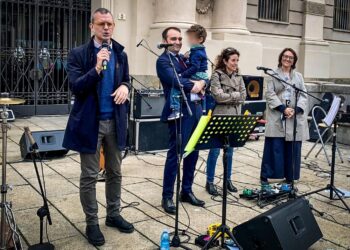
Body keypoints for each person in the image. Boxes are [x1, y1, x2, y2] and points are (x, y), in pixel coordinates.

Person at [62, 8, 134, 246]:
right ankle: (91, 222)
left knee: (115, 172)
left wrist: (125, 86)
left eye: (110, 24)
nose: (106, 28)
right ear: (91, 26)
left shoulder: (121, 54)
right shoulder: (78, 54)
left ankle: (113, 215)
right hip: (89, 123)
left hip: (115, 121)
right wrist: (96, 68)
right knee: (90, 176)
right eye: (101, 23)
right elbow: (76, 87)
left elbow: (126, 79)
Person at [156, 26, 207, 214]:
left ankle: (186, 191)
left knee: (193, 152)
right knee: (175, 154)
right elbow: (175, 80)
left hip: (196, 110)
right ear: (165, 40)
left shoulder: (186, 57)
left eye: (179, 38)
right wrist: (196, 85)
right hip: (178, 112)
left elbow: (203, 72)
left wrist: (203, 82)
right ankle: (167, 196)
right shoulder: (163, 61)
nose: (177, 42)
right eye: (173, 39)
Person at [260, 48, 309, 184]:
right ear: (281, 58)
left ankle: (290, 175)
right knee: (275, 146)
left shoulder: (298, 76)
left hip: (293, 115)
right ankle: (267, 175)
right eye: (285, 56)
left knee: (292, 147)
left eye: (291, 58)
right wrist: (283, 109)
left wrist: (296, 109)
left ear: (294, 61)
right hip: (278, 113)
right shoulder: (273, 74)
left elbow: (304, 94)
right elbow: (270, 94)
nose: (287, 59)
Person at [205, 48, 246, 196]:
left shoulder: (239, 76)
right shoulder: (217, 75)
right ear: (225, 61)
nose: (235, 63)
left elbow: (244, 96)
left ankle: (227, 180)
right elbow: (217, 96)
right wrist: (235, 95)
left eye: (237, 60)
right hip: (220, 116)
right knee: (215, 151)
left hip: (235, 116)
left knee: (229, 152)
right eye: (233, 60)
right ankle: (209, 181)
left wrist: (230, 95)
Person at [167, 24, 208, 120]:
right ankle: (204, 110)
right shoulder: (199, 50)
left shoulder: (196, 52)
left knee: (176, 87)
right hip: (202, 75)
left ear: (200, 39)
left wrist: (182, 75)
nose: (188, 40)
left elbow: (194, 67)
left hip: (197, 75)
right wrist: (186, 59)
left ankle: (175, 109)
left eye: (191, 38)